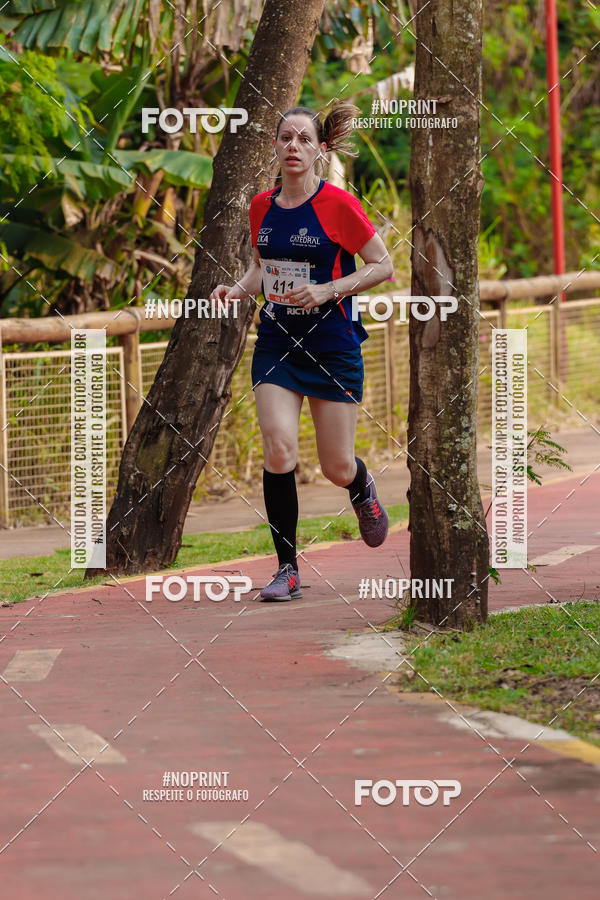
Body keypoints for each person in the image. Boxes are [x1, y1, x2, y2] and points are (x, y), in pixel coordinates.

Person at [209, 102, 394, 601]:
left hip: (332, 346)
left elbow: (383, 266)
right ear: (274, 145)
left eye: (304, 140)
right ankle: (286, 569)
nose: (293, 147)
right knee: (279, 448)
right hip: (277, 343)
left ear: (319, 149)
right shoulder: (260, 206)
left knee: (335, 466)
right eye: (285, 138)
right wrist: (237, 289)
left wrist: (330, 289)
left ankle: (360, 488)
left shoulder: (339, 205)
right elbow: (262, 267)